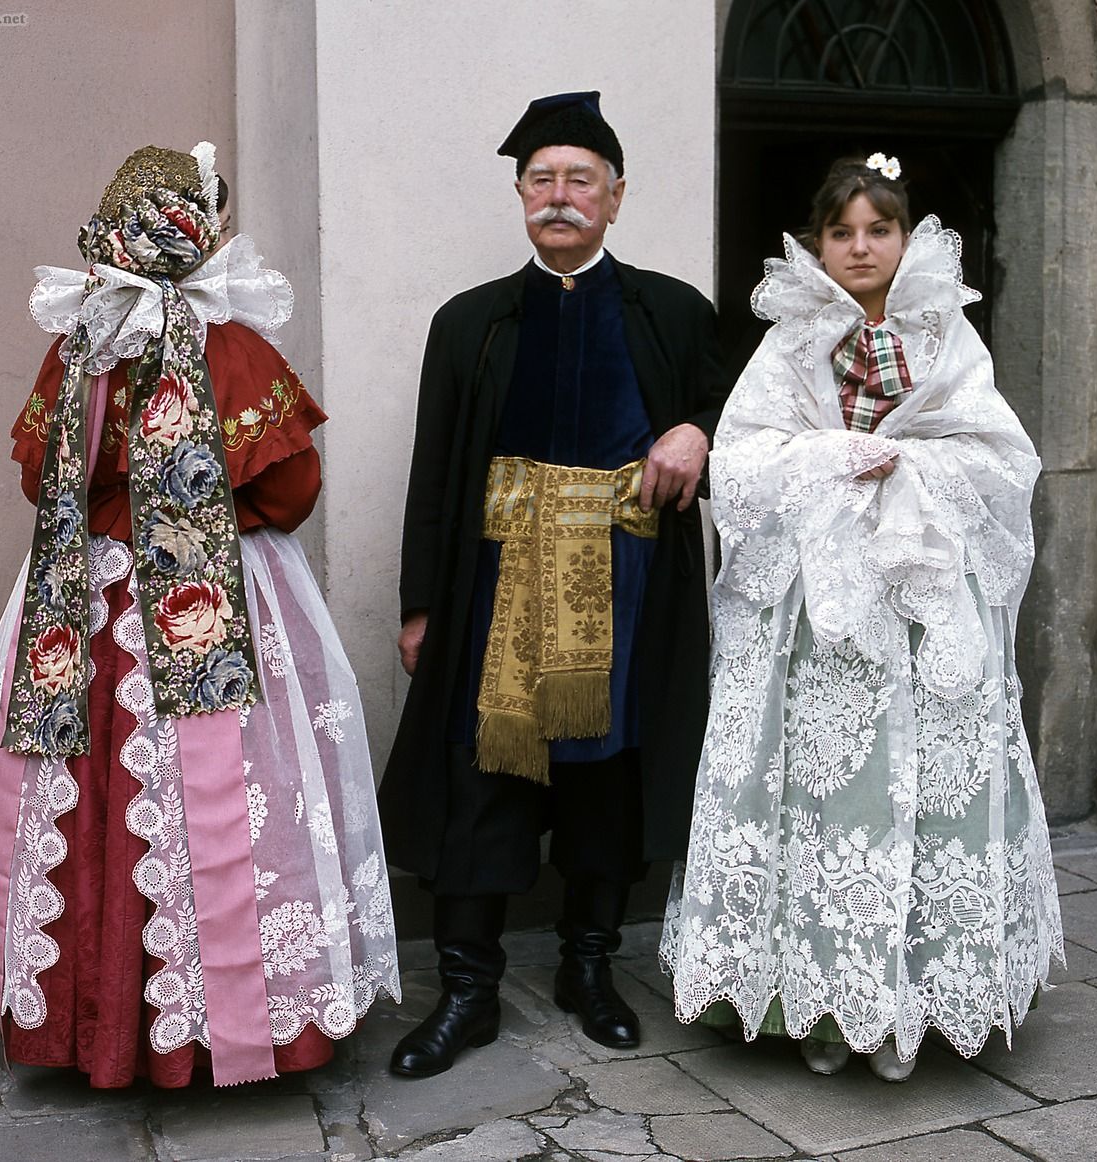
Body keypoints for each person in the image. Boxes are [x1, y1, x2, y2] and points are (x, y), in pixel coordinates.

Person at [0, 142, 400, 1088]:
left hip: (82, 597)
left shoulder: (83, 342)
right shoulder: (229, 346)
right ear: (200, 231)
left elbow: (37, 474)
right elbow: (289, 488)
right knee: (225, 790)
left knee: (88, 785)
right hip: (210, 596)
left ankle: (81, 1023)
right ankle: (224, 1012)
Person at [660, 154, 1064, 1081]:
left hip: (921, 597)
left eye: (877, 230)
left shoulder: (945, 335)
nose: (860, 247)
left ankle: (910, 1003)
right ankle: (822, 1002)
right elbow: (746, 459)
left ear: (905, 236)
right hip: (818, 613)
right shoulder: (790, 341)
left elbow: (1002, 455)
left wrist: (912, 467)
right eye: (841, 232)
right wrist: (836, 457)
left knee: (924, 792)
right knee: (827, 792)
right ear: (818, 243)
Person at [378, 92, 727, 1078]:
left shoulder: (673, 311)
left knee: (606, 791)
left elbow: (738, 410)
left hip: (629, 595)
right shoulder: (470, 324)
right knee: (481, 787)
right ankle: (468, 992)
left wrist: (699, 430)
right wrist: (421, 606)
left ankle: (587, 969)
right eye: (542, 180)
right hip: (496, 599)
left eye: (580, 180)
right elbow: (433, 469)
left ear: (616, 198)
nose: (560, 198)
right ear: (521, 197)